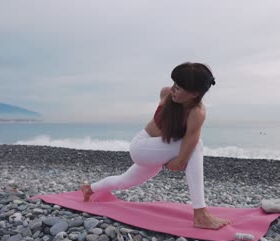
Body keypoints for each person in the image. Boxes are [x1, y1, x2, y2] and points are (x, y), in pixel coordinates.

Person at [80, 62, 232, 229]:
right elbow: (186, 152)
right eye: (174, 84)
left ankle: (90, 188)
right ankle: (200, 214)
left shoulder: (197, 113)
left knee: (124, 181)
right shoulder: (166, 93)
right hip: (142, 147)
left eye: (179, 88)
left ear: (195, 93)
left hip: (158, 152)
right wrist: (178, 161)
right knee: (197, 146)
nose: (173, 89)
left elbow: (186, 150)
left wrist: (178, 162)